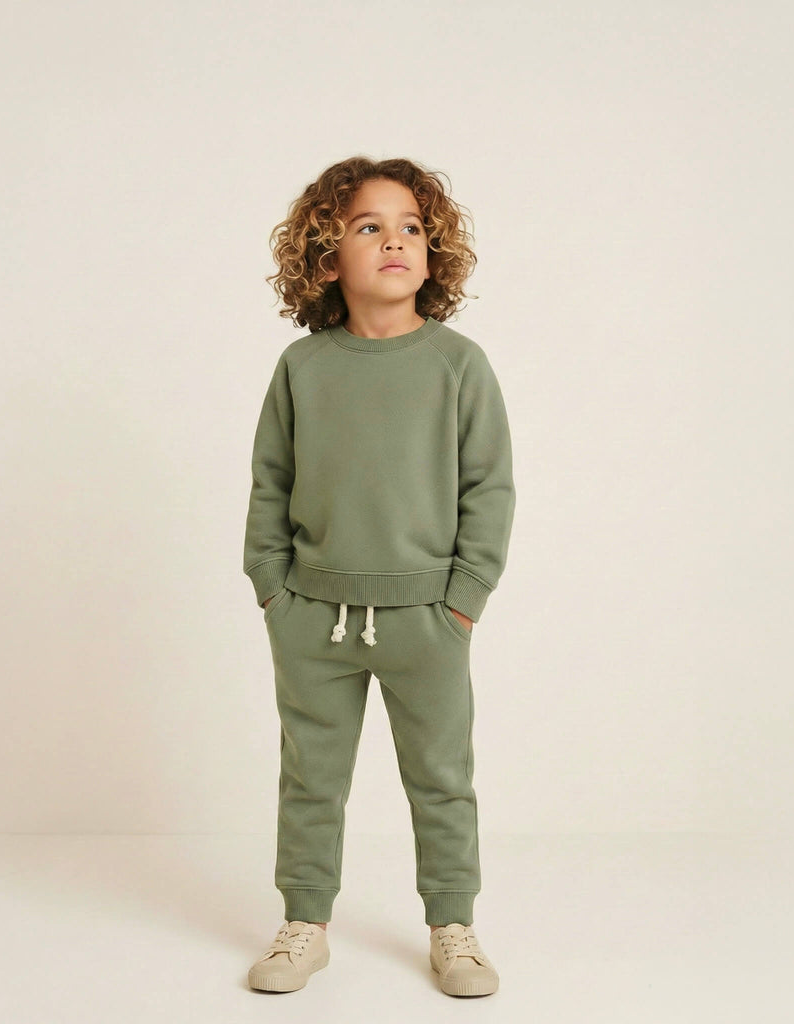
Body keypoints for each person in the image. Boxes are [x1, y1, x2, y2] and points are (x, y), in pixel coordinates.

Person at [242, 156, 515, 997]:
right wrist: (272, 588)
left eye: (411, 228)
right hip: (312, 616)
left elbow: (490, 488)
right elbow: (269, 483)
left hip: (427, 617)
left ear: (435, 258)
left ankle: (453, 926)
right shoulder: (303, 368)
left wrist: (460, 603)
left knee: (441, 778)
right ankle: (304, 924)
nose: (394, 240)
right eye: (369, 226)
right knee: (311, 778)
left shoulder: (459, 365)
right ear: (326, 258)